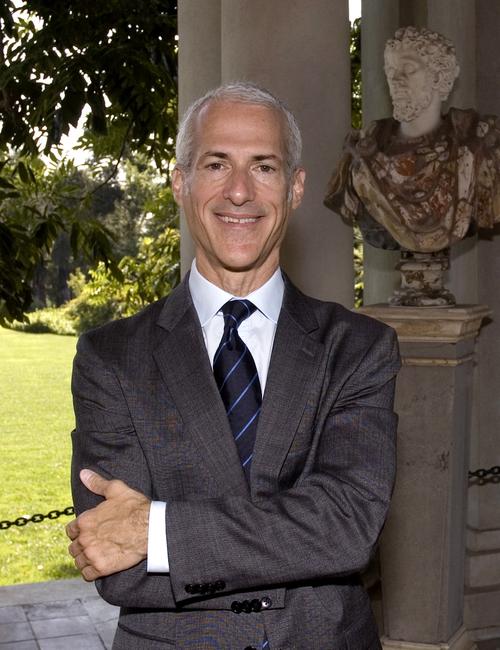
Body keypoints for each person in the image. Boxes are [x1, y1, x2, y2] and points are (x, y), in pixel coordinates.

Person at [67, 82, 400, 650]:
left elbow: (347, 530)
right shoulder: (110, 358)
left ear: (294, 189)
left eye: (264, 167)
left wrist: (158, 532)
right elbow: (116, 563)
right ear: (181, 182)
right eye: (216, 164)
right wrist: (294, 537)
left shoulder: (358, 349)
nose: (239, 192)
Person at [325, 26, 500, 253]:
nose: (396, 79)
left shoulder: (476, 146)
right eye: (390, 70)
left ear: (440, 76)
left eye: (408, 69)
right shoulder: (362, 155)